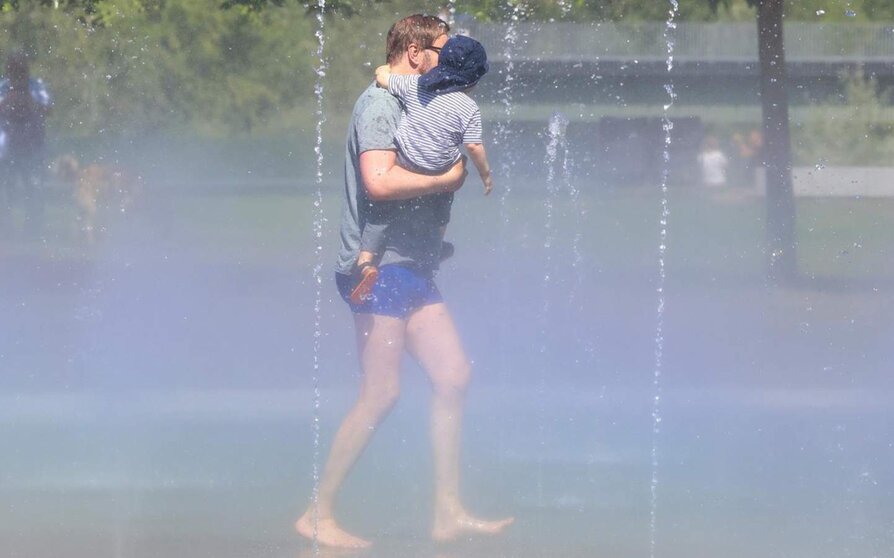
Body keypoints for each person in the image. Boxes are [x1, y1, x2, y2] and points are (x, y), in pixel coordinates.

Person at [295, 14, 513, 549]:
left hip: (411, 265)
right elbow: (379, 180)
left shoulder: (422, 98)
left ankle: (447, 511)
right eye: (444, 48)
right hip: (376, 267)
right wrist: (446, 178)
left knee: (454, 375)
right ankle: (317, 513)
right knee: (381, 393)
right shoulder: (379, 106)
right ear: (415, 53)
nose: (451, 57)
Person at [350, 35, 493, 303]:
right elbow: (474, 147)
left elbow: (384, 78)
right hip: (439, 167)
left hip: (407, 160)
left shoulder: (416, 86)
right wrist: (485, 174)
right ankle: (435, 248)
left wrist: (382, 70)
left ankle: (366, 261)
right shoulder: (469, 107)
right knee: (443, 202)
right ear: (473, 80)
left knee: (380, 216)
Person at [0, 52, 51, 235]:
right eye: (13, 67)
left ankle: (34, 228)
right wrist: (9, 102)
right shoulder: (3, 87)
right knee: (7, 188)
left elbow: (48, 108)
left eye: (20, 67)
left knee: (34, 187)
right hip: (7, 147)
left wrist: (27, 101)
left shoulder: (36, 86)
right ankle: (7, 229)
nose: (16, 71)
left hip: (32, 145)